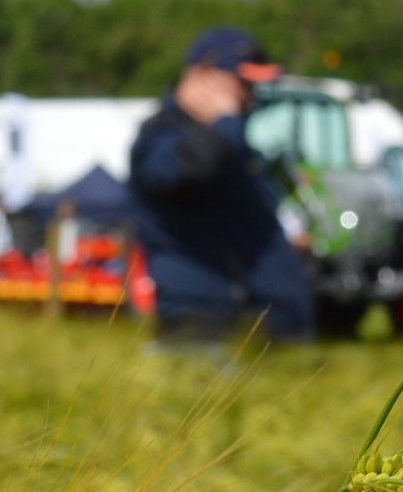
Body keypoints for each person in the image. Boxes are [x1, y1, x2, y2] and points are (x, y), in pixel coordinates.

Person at [127, 27, 316, 343]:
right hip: (207, 333)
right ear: (204, 73)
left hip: (260, 336)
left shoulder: (228, 141)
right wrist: (226, 119)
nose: (251, 97)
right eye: (243, 84)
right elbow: (192, 171)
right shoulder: (161, 137)